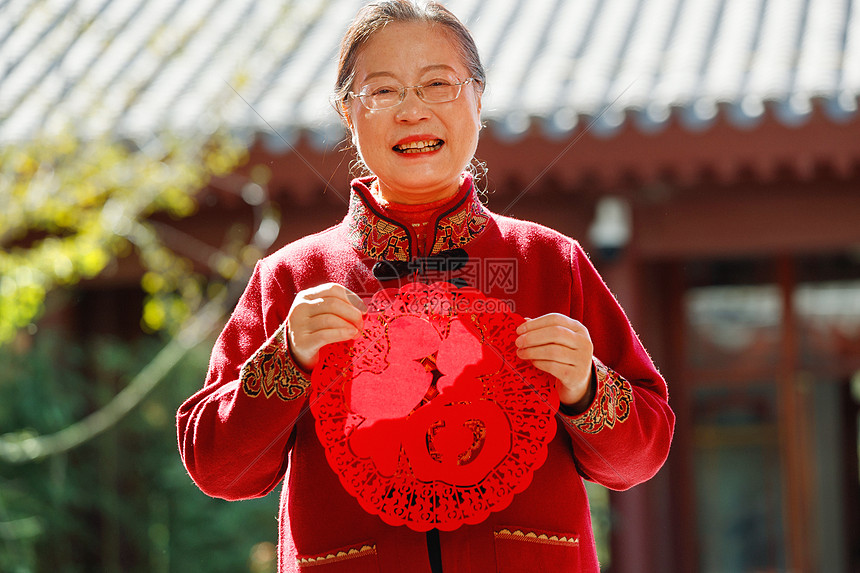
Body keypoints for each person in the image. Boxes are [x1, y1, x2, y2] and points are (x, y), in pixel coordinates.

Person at [177, 1, 674, 571]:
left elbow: (640, 456)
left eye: (438, 84)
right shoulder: (294, 277)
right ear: (347, 113)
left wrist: (587, 386)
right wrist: (286, 358)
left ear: (478, 101)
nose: (412, 112)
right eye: (383, 92)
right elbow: (218, 468)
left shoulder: (547, 262)